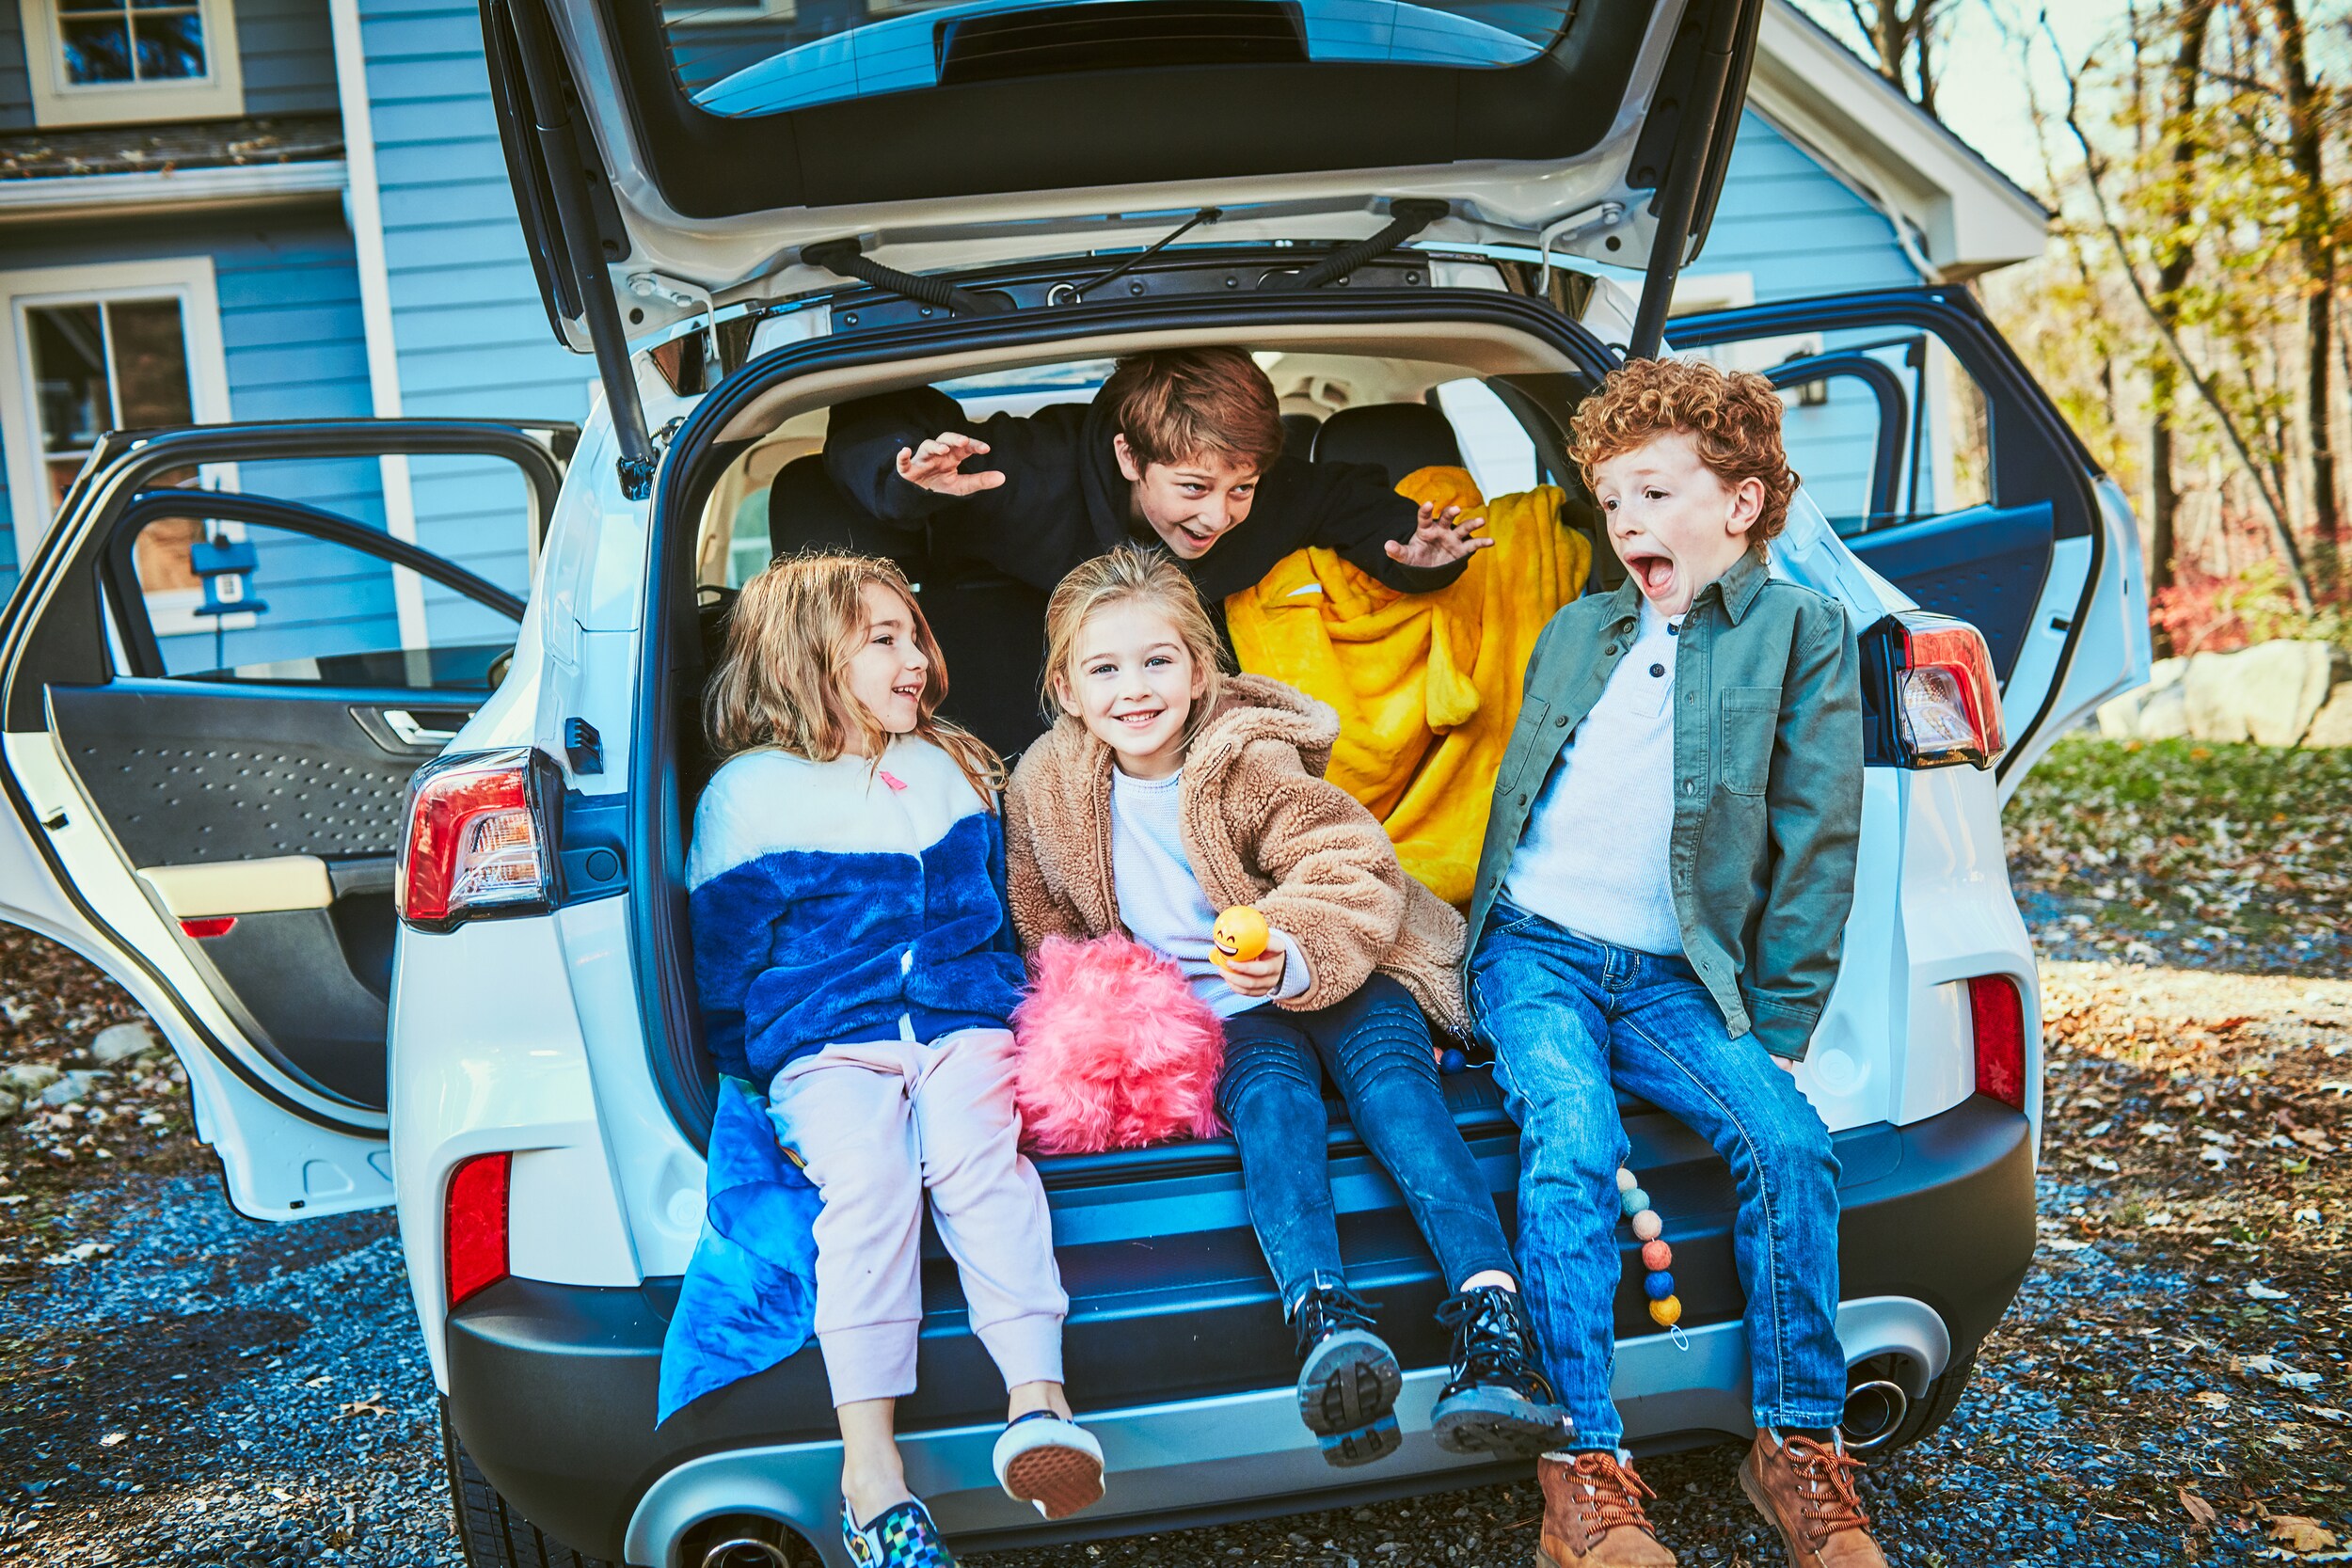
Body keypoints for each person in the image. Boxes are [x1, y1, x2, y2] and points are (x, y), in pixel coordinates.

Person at [1002, 546, 1570, 1469]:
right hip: (1224, 1014)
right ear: (1065, 688)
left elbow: (1345, 857)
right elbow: (1049, 926)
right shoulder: (1045, 787)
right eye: (1103, 669)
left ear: (1199, 669)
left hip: (1337, 969)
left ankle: (1494, 1319)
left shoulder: (1245, 755)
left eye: (1157, 661)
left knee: (1399, 1095)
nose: (1133, 688)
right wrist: (1120, 1018)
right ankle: (1327, 1322)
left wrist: (1290, 948)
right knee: (1271, 1109)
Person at [1461, 358, 1880, 1568]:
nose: (1626, 520)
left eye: (1653, 492)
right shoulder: (1577, 628)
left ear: (1741, 504)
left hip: (1669, 974)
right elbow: (1520, 801)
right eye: (1611, 500)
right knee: (1572, 1135)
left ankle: (1795, 1445)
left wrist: (1779, 1024)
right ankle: (1581, 1472)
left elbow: (1817, 836)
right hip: (1533, 948)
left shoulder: (1801, 633)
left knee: (1787, 1142)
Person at [689, 554, 1105, 1568]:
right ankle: (870, 1474)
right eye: (883, 639)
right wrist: (761, 1070)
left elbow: (994, 913)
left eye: (914, 634)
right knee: (870, 1186)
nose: (915, 656)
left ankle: (1038, 1404)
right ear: (803, 657)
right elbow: (722, 969)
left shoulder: (950, 764)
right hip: (827, 1042)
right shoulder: (749, 794)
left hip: (960, 1023)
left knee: (981, 1162)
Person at [822, 347, 1492, 605]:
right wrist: (907, 480)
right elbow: (872, 419)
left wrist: (1420, 556)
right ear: (1129, 458)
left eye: (1241, 488)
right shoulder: (1027, 470)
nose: (1219, 515)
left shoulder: (1273, 492)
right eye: (1193, 487)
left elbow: (1351, 503)